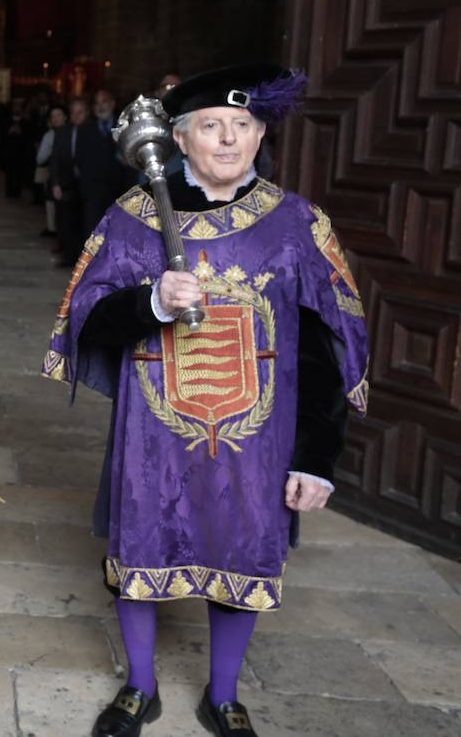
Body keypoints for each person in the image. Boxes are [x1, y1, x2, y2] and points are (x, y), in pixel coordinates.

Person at [42, 65, 369, 737]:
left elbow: (324, 351)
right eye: (212, 127)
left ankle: (224, 694)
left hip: (259, 444)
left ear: (260, 136)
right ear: (181, 139)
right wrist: (153, 300)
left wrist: (317, 456)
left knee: (241, 554)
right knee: (138, 550)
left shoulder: (295, 224)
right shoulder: (134, 221)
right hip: (151, 438)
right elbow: (86, 322)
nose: (229, 141)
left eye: (244, 126)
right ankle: (140, 686)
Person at [49, 96, 120, 267]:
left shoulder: (94, 130)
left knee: (89, 222)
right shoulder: (63, 132)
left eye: (80, 112)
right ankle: (70, 256)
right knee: (68, 221)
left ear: (87, 113)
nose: (76, 116)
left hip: (91, 184)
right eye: (73, 113)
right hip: (69, 183)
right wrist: (55, 182)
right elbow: (55, 159)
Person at [34, 103, 67, 237]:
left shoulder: (53, 135)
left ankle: (55, 229)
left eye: (58, 115)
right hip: (56, 175)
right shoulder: (50, 135)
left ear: (65, 117)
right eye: (53, 116)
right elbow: (40, 158)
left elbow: (40, 157)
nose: (55, 119)